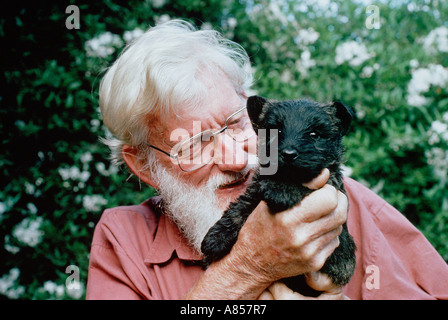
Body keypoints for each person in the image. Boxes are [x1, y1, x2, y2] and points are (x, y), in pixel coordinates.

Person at [86, 20, 448, 300]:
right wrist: (248, 267)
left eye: (235, 122)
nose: (235, 159)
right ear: (146, 167)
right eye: (194, 145)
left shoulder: (342, 201)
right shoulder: (123, 241)